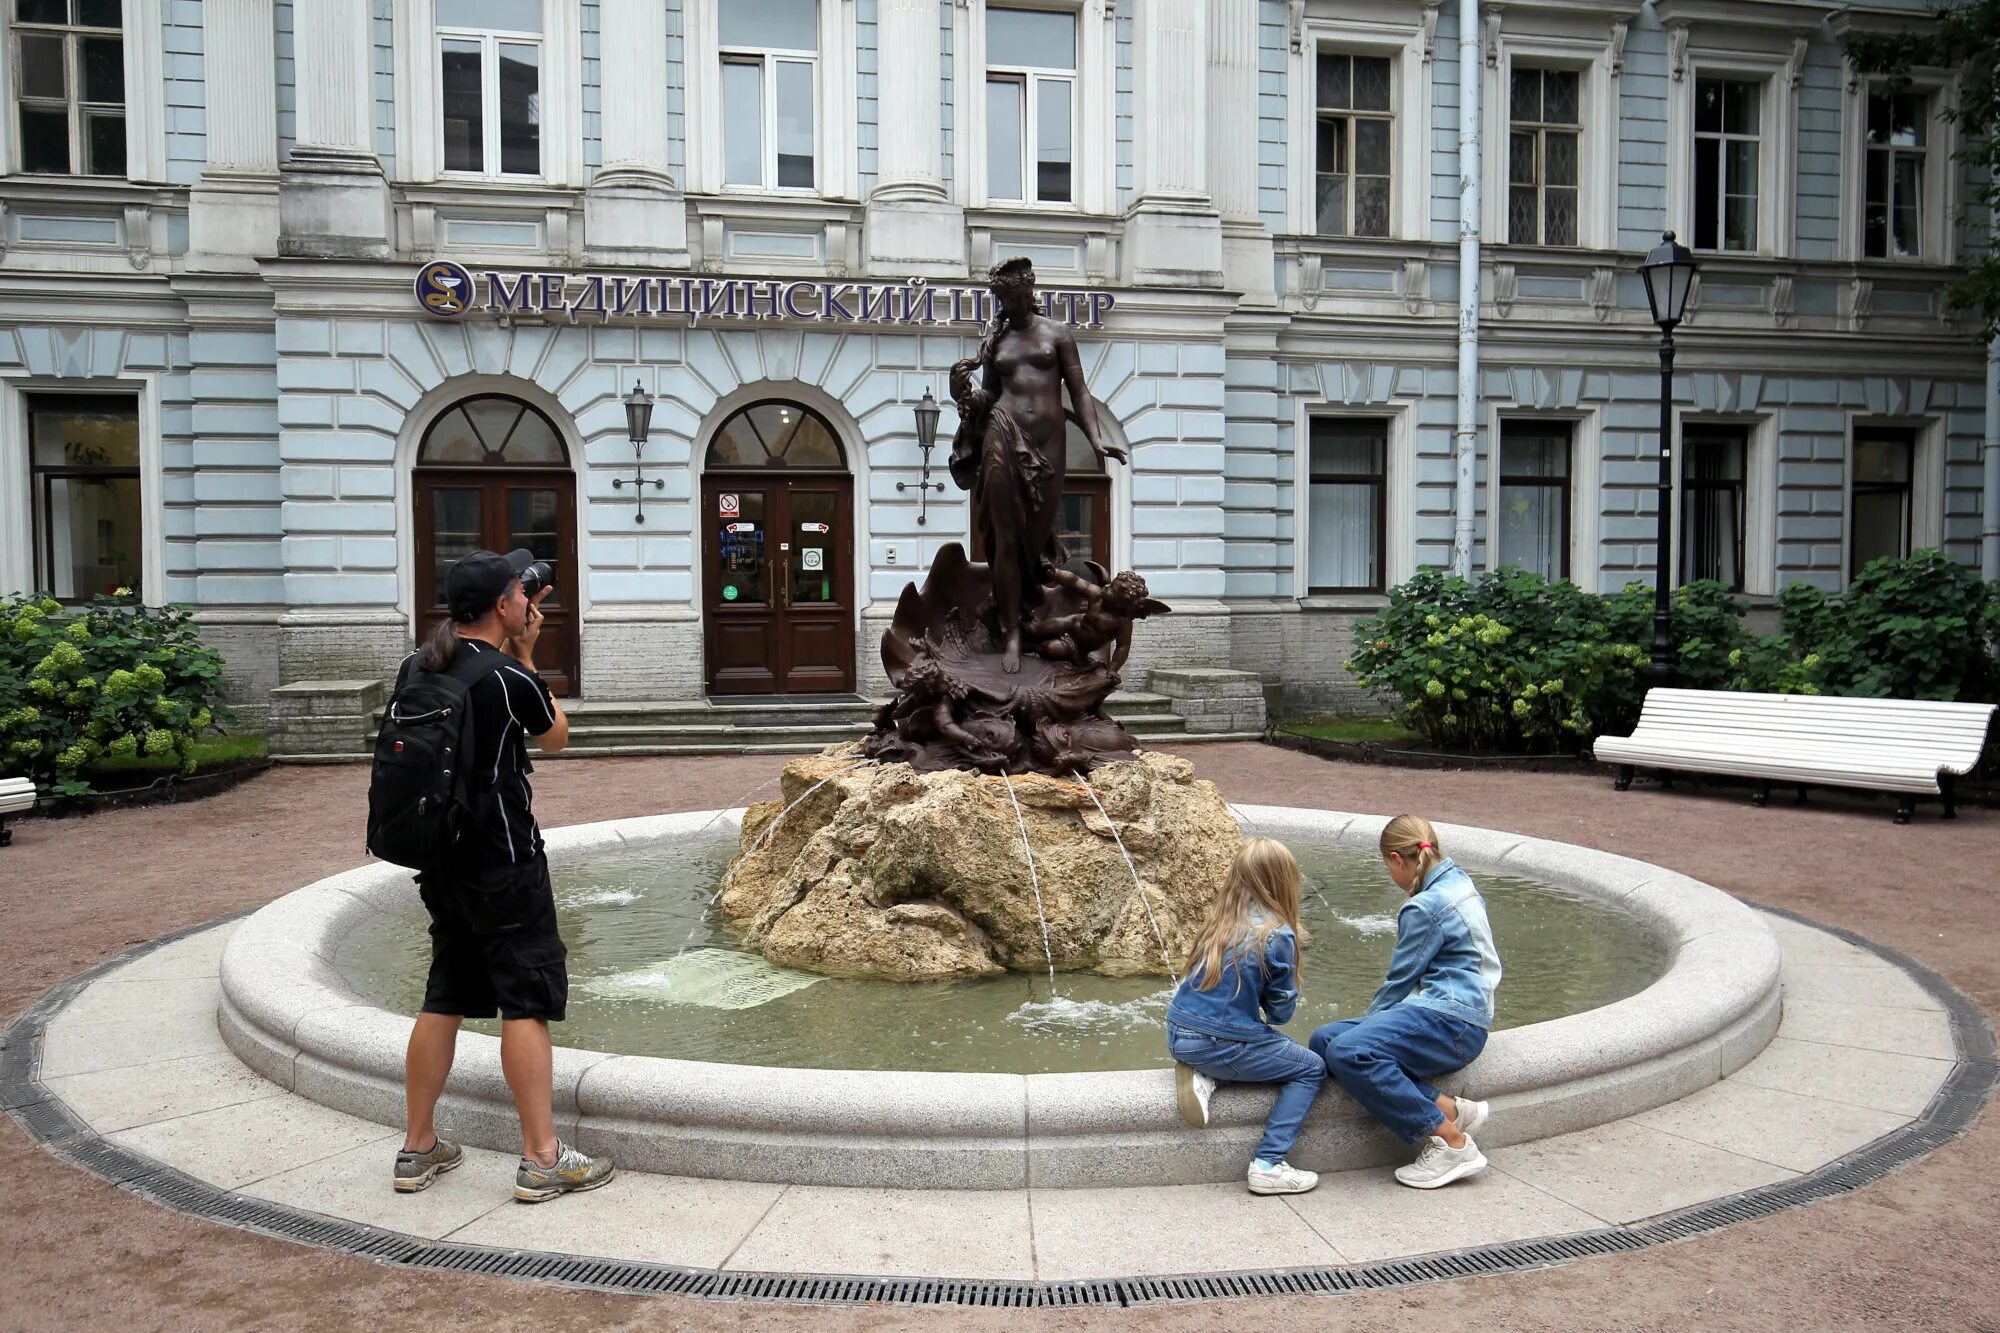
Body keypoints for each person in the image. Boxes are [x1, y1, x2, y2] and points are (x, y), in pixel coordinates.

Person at [390, 548, 615, 1204]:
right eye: (523, 594)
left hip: (441, 858)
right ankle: (543, 1157)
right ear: (502, 607)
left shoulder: (416, 664)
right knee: (526, 998)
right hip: (504, 860)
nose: (529, 602)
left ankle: (418, 1146)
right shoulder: (505, 676)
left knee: (446, 992)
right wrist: (529, 654)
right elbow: (556, 736)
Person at [946, 258, 1127, 674]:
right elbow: (989, 395)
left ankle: (1023, 617)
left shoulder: (1058, 335)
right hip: (1001, 433)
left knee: (1035, 537)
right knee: (1006, 540)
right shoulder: (996, 343)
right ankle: (1011, 632)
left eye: (1014, 297)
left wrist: (1096, 439)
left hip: (1049, 445)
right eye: (1002, 300)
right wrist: (962, 393)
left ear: (1029, 292)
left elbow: (1079, 392)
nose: (1008, 306)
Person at [1310, 815, 1501, 1190]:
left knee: (1349, 1051)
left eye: (1386, 865)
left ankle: (1453, 1143)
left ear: (1397, 859)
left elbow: (1399, 981)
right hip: (1455, 1014)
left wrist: (1366, 1032)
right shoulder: (1458, 879)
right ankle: (1450, 1108)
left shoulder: (1424, 906)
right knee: (1324, 1040)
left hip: (1453, 1023)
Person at [1164, 838, 1326, 1196]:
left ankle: (1207, 1074)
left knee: (1271, 1046)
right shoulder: (1278, 934)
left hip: (1178, 1031)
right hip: (1219, 1041)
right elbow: (1280, 1013)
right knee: (1310, 1066)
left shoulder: (1219, 921)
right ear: (1286, 880)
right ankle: (1268, 1164)